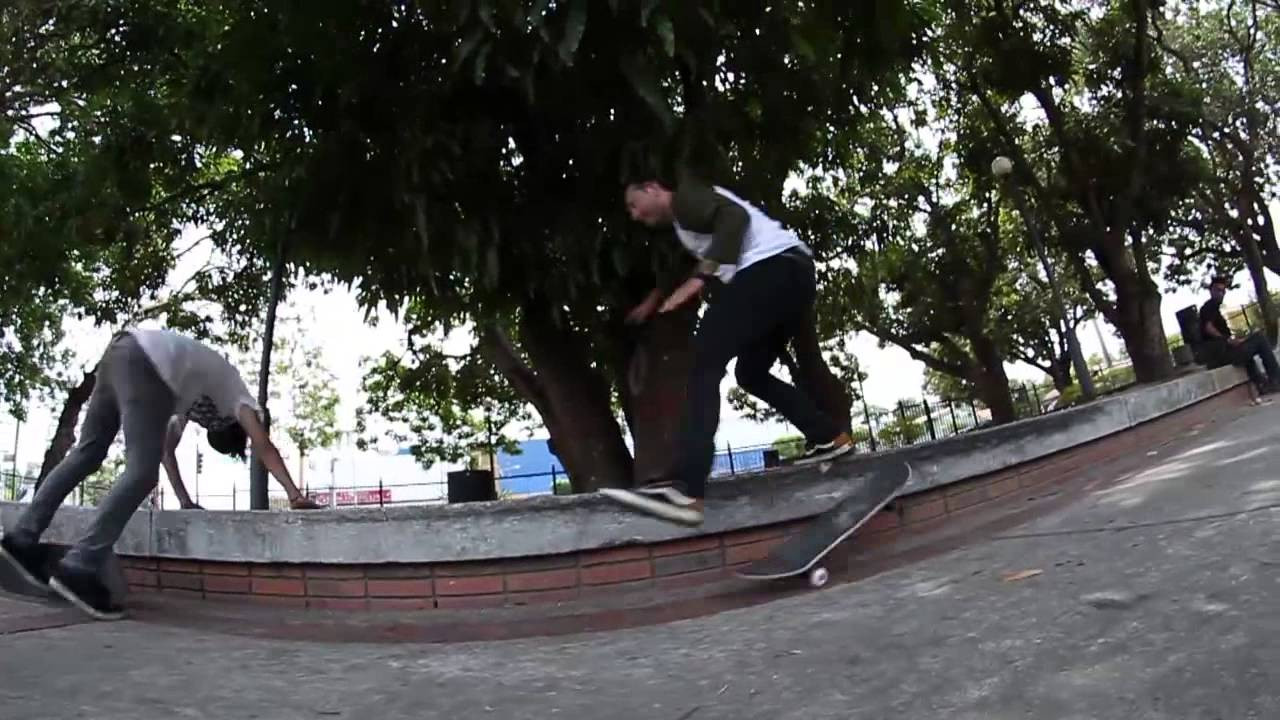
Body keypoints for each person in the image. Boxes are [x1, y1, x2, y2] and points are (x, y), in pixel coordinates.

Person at [0, 328, 319, 619]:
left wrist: (184, 500)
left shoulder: (191, 392)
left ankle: (21, 538)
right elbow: (264, 446)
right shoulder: (240, 397)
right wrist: (294, 494)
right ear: (233, 427)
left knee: (88, 453)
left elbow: (167, 450)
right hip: (148, 365)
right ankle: (80, 566)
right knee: (140, 472)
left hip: (119, 352)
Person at [600, 175, 854, 526]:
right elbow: (683, 264)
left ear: (654, 189)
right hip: (794, 275)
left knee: (703, 364)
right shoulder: (685, 225)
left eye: (634, 205)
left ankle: (687, 491)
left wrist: (699, 280)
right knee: (750, 373)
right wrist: (654, 301)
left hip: (769, 270)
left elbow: (736, 219)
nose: (634, 216)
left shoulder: (687, 197)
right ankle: (829, 437)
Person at [1200, 276, 1280, 394]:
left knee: (1248, 346)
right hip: (1223, 354)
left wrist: (1237, 339)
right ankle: (1276, 380)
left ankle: (1261, 383)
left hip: (1226, 351)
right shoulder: (1209, 306)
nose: (1221, 294)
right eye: (1218, 290)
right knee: (1260, 339)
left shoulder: (1215, 308)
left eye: (1223, 291)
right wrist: (1227, 340)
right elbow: (1208, 327)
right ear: (1211, 291)